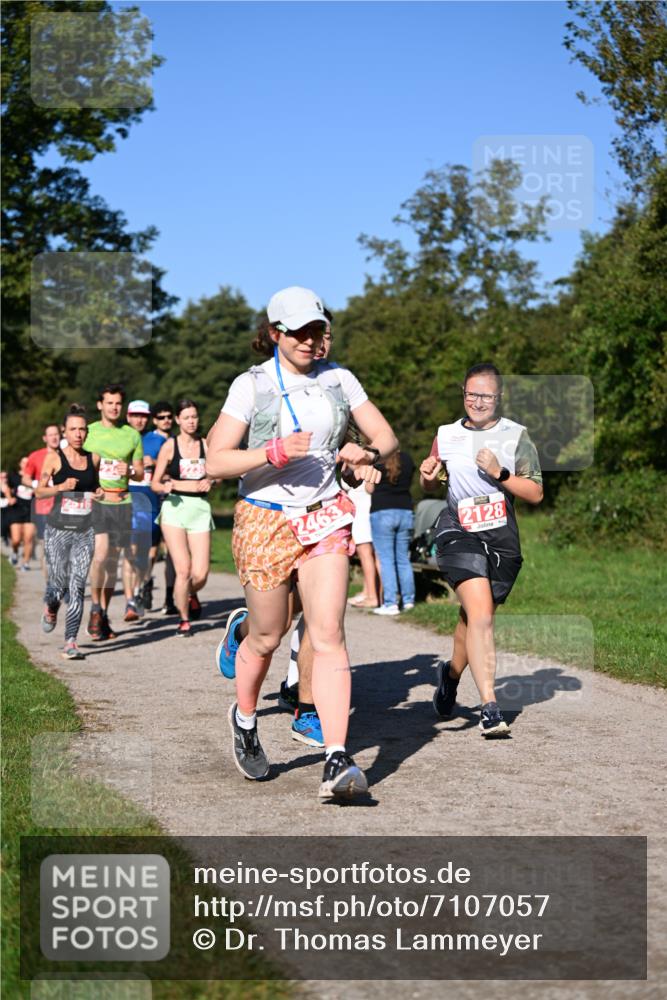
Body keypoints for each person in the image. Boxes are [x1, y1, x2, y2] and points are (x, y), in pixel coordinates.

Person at [206, 286, 397, 800]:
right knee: (268, 636)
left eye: (318, 330)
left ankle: (336, 757)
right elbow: (215, 460)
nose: (312, 341)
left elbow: (387, 438)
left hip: (324, 517)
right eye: (300, 333)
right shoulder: (252, 386)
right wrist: (270, 452)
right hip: (265, 519)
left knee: (327, 632)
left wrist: (365, 452)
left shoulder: (340, 379)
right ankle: (245, 718)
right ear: (275, 334)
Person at [419, 362, 543, 737]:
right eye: (471, 394)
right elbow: (432, 484)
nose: (477, 401)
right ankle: (490, 708)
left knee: (473, 618)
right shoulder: (446, 434)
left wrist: (501, 474)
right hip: (458, 531)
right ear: (463, 394)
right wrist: (427, 476)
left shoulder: (516, 436)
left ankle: (450, 675)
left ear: (498, 397)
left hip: (501, 539)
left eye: (485, 395)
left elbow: (535, 493)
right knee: (482, 613)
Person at [36, 405, 100, 659]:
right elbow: (40, 491)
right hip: (58, 531)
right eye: (73, 429)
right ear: (64, 431)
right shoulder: (54, 458)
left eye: (82, 429)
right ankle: (50, 606)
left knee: (77, 586)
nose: (78, 434)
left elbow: (96, 487)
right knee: (58, 586)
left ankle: (70, 641)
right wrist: (60, 486)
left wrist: (100, 492)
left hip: (84, 531)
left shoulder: (93, 458)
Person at [83, 384, 144, 641]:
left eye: (118, 403)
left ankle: (102, 613)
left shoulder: (131, 435)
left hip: (121, 503)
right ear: (100, 405)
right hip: (97, 502)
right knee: (101, 555)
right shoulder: (88, 432)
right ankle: (95, 607)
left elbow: (140, 472)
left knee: (111, 565)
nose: (114, 407)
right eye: (109, 403)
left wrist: (128, 470)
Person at [151, 399, 215, 636]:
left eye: (194, 417)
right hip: (174, 509)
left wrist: (212, 480)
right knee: (184, 569)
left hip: (199, 509)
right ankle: (184, 619)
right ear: (177, 420)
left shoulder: (205, 445)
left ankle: (187, 593)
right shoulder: (169, 446)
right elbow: (155, 482)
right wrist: (166, 486)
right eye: (186, 417)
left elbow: (217, 472)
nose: (191, 421)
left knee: (201, 573)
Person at [141, 401, 177, 613]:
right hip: (154, 496)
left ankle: (170, 597)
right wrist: (162, 465)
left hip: (175, 498)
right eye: (161, 417)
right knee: (152, 549)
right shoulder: (149, 440)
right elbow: (145, 462)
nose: (166, 421)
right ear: (155, 420)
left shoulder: (177, 440)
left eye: (169, 417)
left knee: (173, 549)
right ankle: (146, 583)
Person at [370, 450, 416, 615]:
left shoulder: (376, 461)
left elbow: (369, 488)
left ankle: (390, 603)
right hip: (405, 510)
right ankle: (408, 601)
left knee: (386, 560)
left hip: (382, 511)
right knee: (403, 559)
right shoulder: (407, 458)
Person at [122, 399, 154, 621]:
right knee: (130, 551)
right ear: (128, 416)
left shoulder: (155, 441)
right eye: (135, 415)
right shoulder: (119, 438)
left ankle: (142, 585)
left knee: (143, 555)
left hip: (149, 502)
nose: (139, 420)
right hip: (124, 499)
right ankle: (130, 601)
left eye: (143, 416)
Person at [23, 424, 62, 546]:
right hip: (44, 506)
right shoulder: (35, 456)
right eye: (51, 435)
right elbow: (25, 478)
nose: (54, 438)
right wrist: (36, 484)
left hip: (64, 505)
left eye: (56, 434)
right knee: (47, 545)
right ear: (45, 438)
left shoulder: (67, 454)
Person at [4, 457, 36, 569]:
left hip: (31, 510)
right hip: (16, 509)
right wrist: (9, 498)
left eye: (28, 463)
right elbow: (6, 487)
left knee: (28, 538)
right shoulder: (14, 476)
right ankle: (14, 552)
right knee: (16, 539)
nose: (26, 465)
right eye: (24, 463)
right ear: (20, 464)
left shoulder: (34, 477)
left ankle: (26, 563)